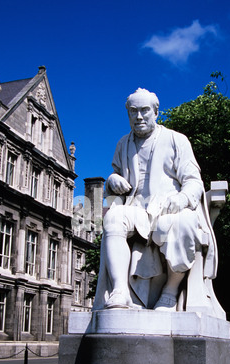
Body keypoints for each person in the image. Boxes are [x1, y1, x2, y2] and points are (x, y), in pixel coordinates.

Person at [93, 88, 217, 311]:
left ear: (156, 112)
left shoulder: (176, 140)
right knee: (112, 218)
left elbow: (194, 181)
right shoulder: (123, 143)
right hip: (136, 208)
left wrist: (182, 199)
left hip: (170, 207)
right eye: (133, 111)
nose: (139, 116)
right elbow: (116, 180)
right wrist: (113, 179)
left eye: (144, 111)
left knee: (184, 224)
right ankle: (120, 291)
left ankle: (170, 291)